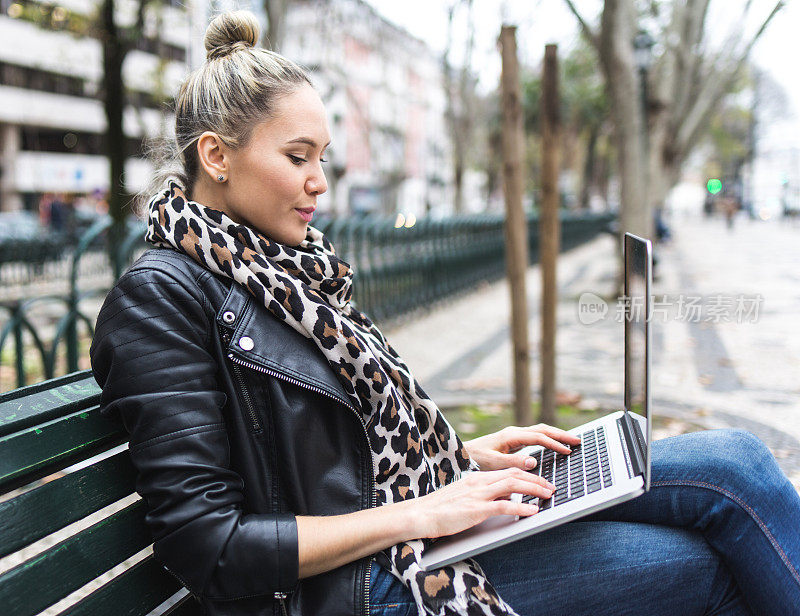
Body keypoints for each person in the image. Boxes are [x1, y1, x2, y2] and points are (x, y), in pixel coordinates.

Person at [89, 10, 800, 616]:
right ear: (216, 156)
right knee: (700, 564)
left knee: (733, 462)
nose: (319, 182)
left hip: (409, 526)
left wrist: (460, 460)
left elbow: (337, 451)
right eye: (297, 155)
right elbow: (208, 547)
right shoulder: (163, 299)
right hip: (360, 584)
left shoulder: (282, 269)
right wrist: (424, 512)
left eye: (323, 156)